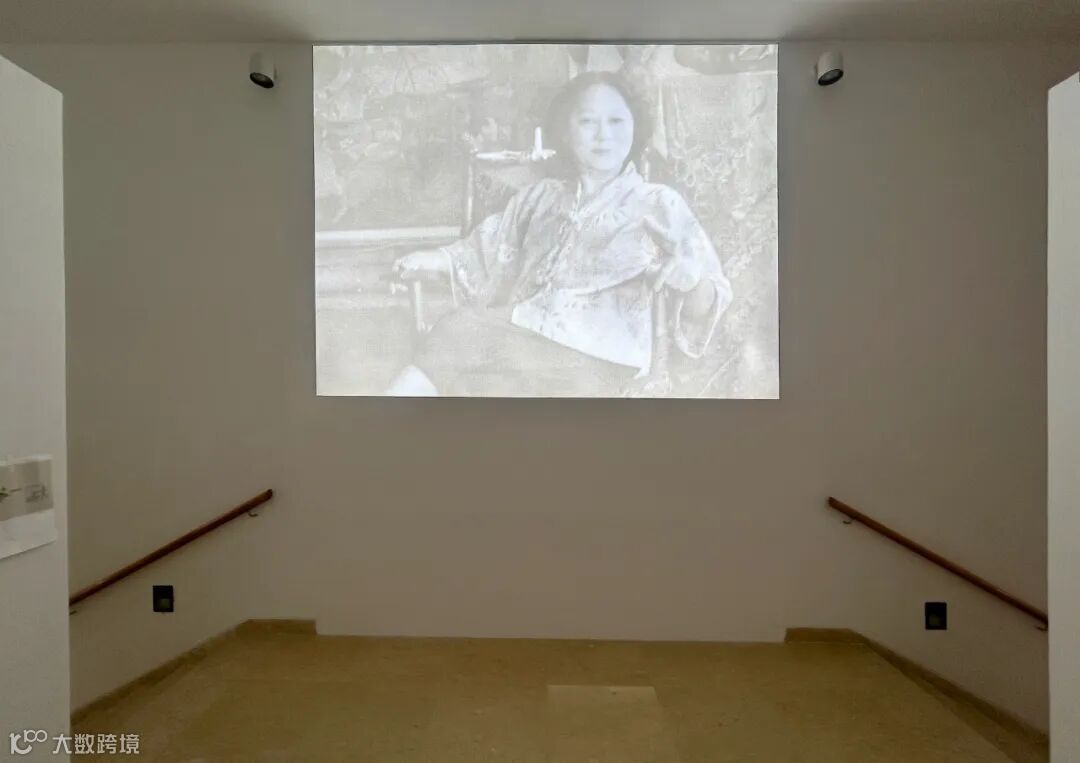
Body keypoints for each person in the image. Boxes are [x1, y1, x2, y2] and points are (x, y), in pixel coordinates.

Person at [387, 71, 732, 397]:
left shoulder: (659, 203)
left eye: (616, 121)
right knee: (463, 344)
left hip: (602, 357)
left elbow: (708, 295)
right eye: (587, 122)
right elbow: (488, 248)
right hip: (525, 336)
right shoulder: (541, 197)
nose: (603, 135)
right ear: (565, 132)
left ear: (634, 127)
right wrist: (436, 259)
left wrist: (691, 282)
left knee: (468, 344)